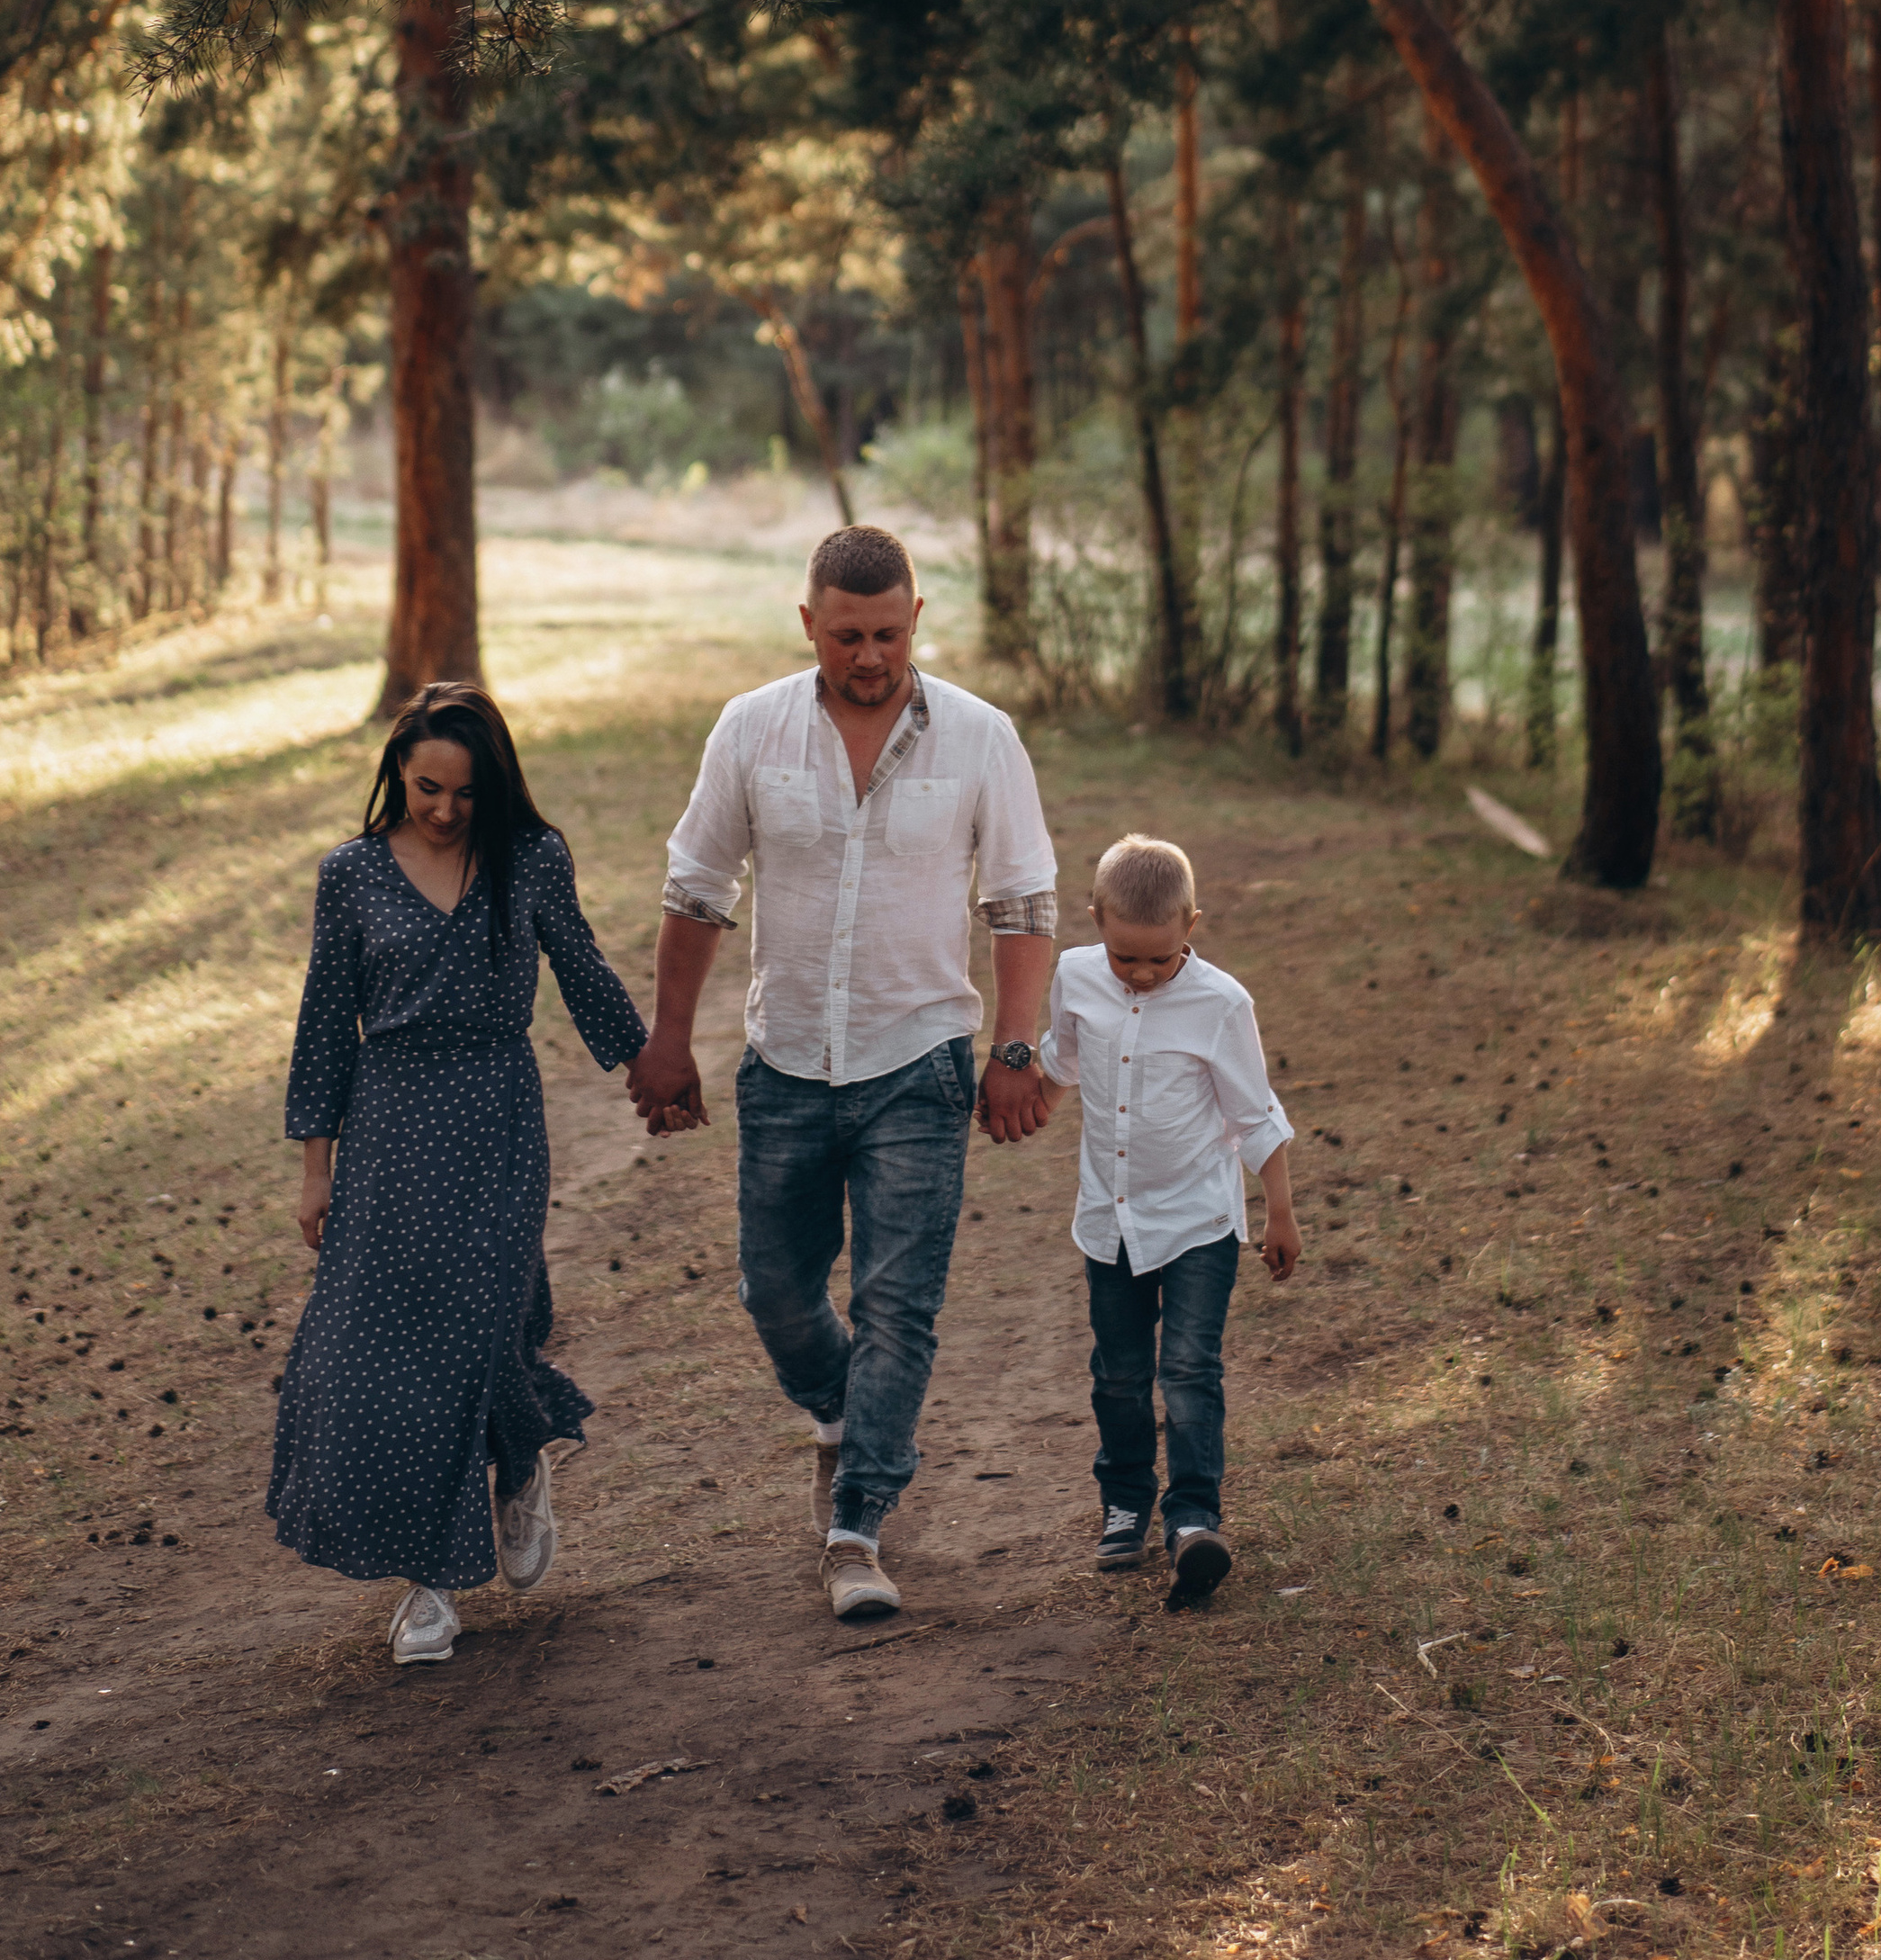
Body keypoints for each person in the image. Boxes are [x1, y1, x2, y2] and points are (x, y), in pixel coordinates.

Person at [627, 522, 1058, 1623]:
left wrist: (1015, 1050)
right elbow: (696, 888)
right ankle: (840, 1412)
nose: (868, 657)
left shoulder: (981, 737)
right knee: (773, 1291)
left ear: (916, 620)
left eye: (887, 635)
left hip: (919, 1061)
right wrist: (670, 1039)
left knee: (896, 1305)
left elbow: (1020, 905)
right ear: (808, 624)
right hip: (785, 1060)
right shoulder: (751, 728)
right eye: (845, 636)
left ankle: (856, 1525)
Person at [271, 680, 662, 1668]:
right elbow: (325, 1024)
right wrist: (316, 1171)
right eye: (428, 788)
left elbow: (580, 965)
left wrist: (648, 1064)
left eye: (467, 792)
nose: (446, 810)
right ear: (397, 774)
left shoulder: (530, 856)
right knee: (385, 1358)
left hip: (495, 1117)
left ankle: (516, 1469)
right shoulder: (352, 874)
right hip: (391, 1127)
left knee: (479, 1331)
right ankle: (431, 1581)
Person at [1038, 831, 1300, 1611]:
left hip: (1197, 1222)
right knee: (1119, 1373)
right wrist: (1019, 1101)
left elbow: (1254, 1114)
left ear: (1192, 925)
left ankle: (1193, 1518)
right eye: (1126, 957)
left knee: (1188, 1369)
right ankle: (1125, 1503)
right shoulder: (1074, 975)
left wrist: (1280, 1212)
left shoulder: (1221, 1004)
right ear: (1096, 923)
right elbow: (1061, 1061)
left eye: (1161, 956)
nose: (1144, 973)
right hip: (1109, 1220)